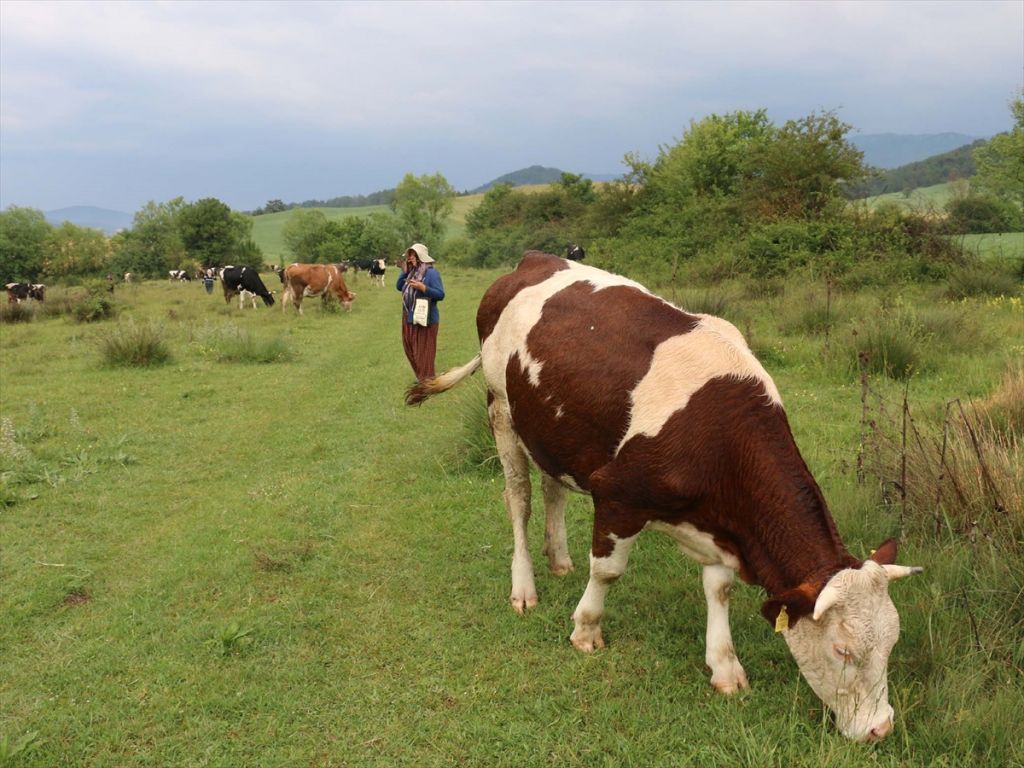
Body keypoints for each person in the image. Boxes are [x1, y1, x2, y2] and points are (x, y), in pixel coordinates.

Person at [396, 243, 444, 381]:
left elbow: (440, 294)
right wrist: (405, 271)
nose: (410, 257)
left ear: (420, 256)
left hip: (426, 319)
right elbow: (399, 286)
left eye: (413, 254)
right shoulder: (411, 272)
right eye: (409, 255)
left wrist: (423, 288)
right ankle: (421, 378)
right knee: (410, 349)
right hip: (409, 317)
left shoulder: (431, 273)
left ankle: (427, 381)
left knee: (424, 352)